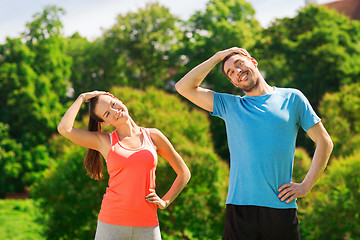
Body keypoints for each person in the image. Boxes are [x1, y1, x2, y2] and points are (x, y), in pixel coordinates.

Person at [175, 47, 333, 240]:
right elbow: (183, 87)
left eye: (239, 64)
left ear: (253, 62)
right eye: (230, 72)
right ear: (232, 82)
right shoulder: (230, 106)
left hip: (280, 208)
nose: (237, 71)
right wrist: (218, 57)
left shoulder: (292, 98)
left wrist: (306, 185)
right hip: (240, 209)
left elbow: (324, 142)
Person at [57, 91, 191, 240]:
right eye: (107, 114)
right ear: (105, 122)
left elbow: (184, 172)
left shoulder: (153, 136)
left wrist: (165, 201)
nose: (115, 112)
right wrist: (82, 97)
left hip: (147, 223)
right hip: (111, 223)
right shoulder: (105, 141)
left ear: (118, 100)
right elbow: (65, 129)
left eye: (114, 104)